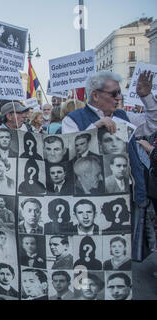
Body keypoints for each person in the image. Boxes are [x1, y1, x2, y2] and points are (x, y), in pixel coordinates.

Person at [62, 71, 153, 259]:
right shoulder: (73, 119)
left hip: (127, 195)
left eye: (120, 93)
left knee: (123, 254)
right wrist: (95, 127)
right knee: (94, 250)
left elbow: (153, 124)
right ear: (96, 95)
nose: (119, 97)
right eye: (114, 93)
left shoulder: (123, 116)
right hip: (93, 198)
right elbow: (68, 152)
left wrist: (146, 97)